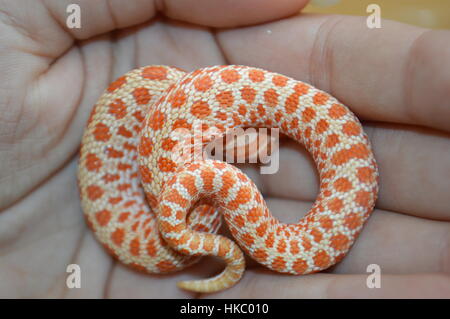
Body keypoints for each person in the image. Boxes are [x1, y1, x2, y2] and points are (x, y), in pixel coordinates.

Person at [0, 0, 448, 298]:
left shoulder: (194, 150)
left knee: (170, 103)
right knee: (167, 102)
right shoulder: (187, 153)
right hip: (184, 176)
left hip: (193, 168)